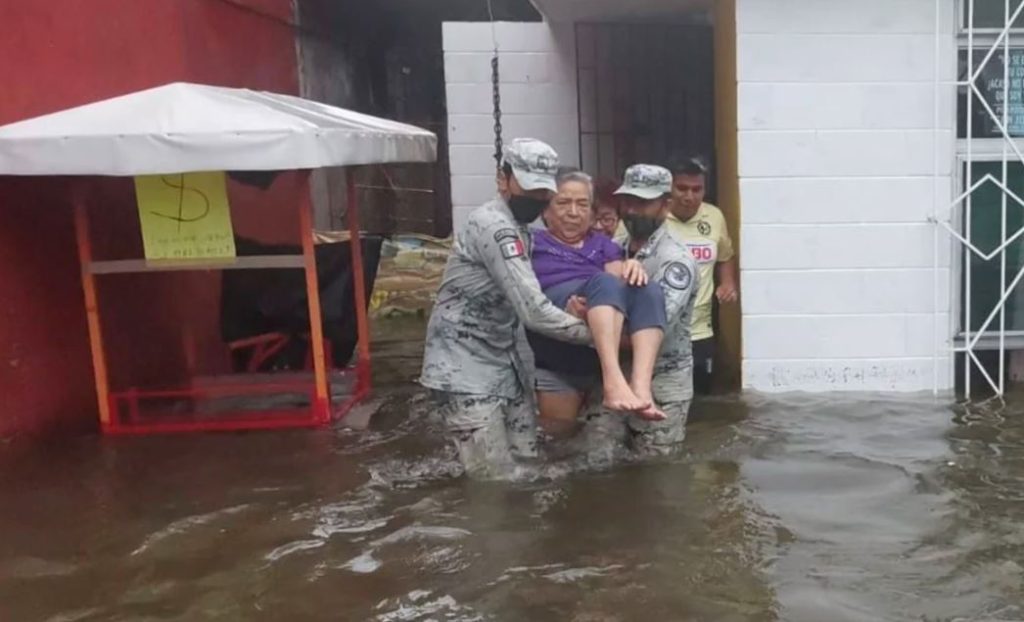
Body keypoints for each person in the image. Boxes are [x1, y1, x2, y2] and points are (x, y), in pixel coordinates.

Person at [419, 138, 591, 478]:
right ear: (503, 179)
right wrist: (603, 335)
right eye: (528, 188)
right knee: (492, 479)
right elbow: (534, 311)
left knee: (528, 462)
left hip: (504, 364)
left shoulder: (521, 230)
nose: (537, 198)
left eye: (543, 191)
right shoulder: (494, 227)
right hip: (463, 368)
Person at [526, 170, 668, 434]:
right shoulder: (532, 243)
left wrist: (633, 268)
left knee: (647, 288)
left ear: (591, 213)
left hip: (591, 354)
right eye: (563, 203)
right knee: (558, 441)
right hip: (553, 346)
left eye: (582, 204)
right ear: (545, 211)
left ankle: (640, 386)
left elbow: (616, 289)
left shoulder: (605, 245)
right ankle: (614, 379)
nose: (573, 212)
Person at [584, 164, 699, 456]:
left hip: (660, 387)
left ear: (666, 205)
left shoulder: (675, 262)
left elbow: (650, 330)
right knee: (599, 464)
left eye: (644, 203)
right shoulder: (612, 248)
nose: (633, 210)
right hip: (613, 381)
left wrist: (589, 321)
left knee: (655, 473)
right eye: (629, 201)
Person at [665, 156, 738, 395]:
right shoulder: (655, 218)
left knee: (701, 400)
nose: (689, 196)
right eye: (682, 188)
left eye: (697, 189)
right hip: (662, 328)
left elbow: (725, 255)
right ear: (670, 188)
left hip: (700, 330)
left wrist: (728, 283)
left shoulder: (714, 217)